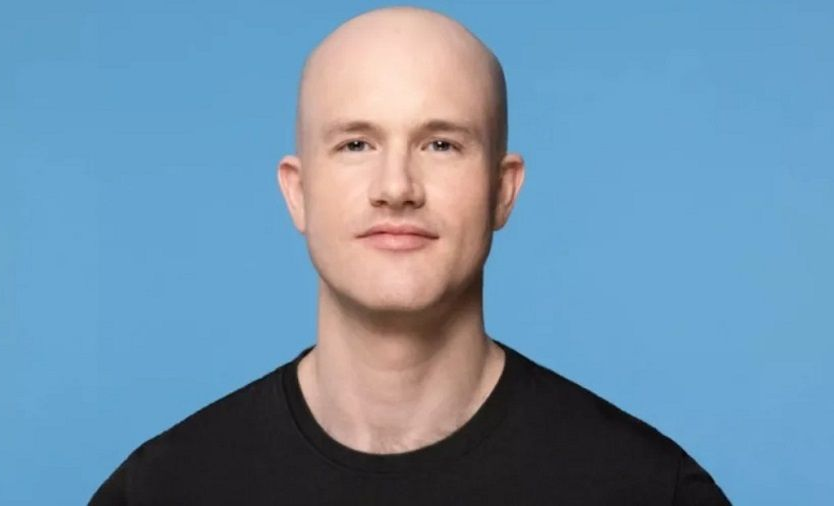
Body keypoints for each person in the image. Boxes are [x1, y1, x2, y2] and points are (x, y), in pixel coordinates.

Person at [89, 6, 731, 505]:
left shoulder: (649, 491)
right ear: (298, 192)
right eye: (356, 145)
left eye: (441, 144)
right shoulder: (162, 491)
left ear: (502, 191)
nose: (396, 187)